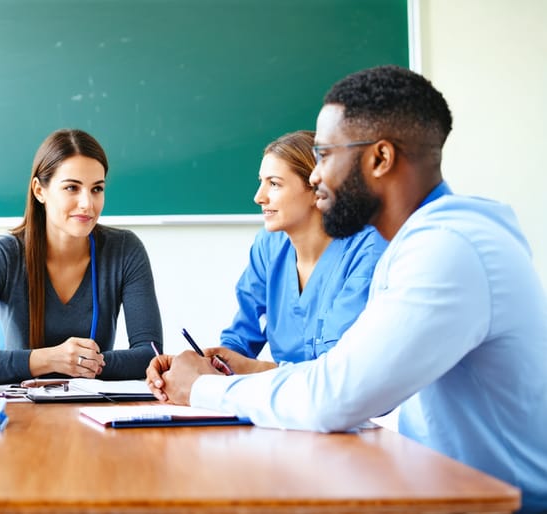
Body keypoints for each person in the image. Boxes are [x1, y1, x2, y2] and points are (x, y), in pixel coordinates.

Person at [146, 65, 547, 512]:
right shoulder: (419, 243)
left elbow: (334, 397)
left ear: (379, 159)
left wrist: (200, 389)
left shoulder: (447, 250)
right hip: (435, 486)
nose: (315, 177)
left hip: (496, 504)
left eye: (324, 155)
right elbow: (339, 373)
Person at [0, 128, 163, 384]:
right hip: (19, 410)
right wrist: (51, 359)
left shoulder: (125, 250)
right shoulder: (0, 255)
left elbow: (151, 355)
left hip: (95, 410)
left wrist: (80, 364)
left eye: (97, 189)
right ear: (40, 191)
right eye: (72, 187)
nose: (87, 204)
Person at [204, 130, 386, 374]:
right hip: (281, 404)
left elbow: (338, 374)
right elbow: (242, 338)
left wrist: (258, 370)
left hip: (350, 408)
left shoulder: (366, 250)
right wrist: (210, 363)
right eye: (261, 182)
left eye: (274, 184)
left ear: (317, 189)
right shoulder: (269, 246)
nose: (259, 197)